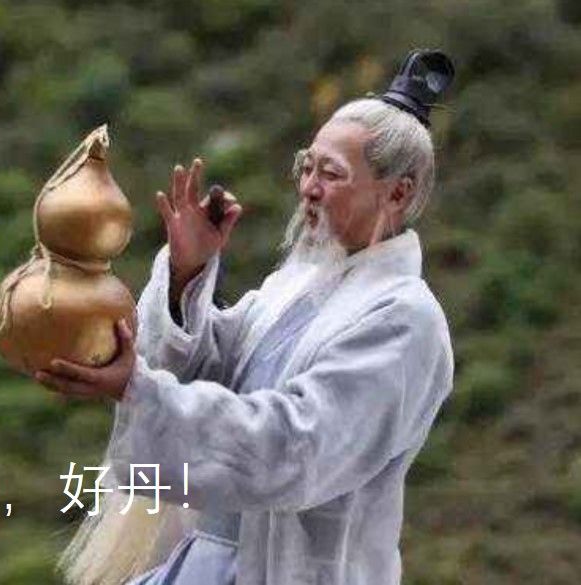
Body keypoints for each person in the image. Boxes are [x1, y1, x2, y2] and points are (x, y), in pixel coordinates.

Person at [35, 50, 456, 585]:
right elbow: (208, 373)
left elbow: (295, 446)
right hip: (206, 562)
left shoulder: (405, 320)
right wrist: (188, 272)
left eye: (332, 173)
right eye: (307, 166)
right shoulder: (294, 287)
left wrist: (139, 388)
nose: (309, 187)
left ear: (397, 192)